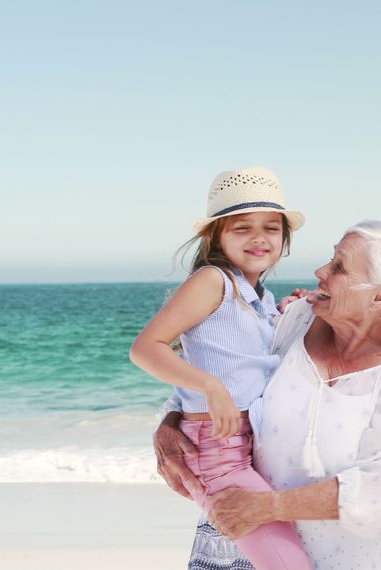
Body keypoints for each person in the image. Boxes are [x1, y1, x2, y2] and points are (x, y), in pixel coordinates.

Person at [153, 220, 381, 570]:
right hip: (234, 546)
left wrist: (267, 507)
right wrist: (169, 422)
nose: (321, 271)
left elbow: (380, 493)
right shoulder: (296, 319)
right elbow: (227, 373)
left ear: (380, 297)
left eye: (339, 268)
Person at [131, 166, 312, 570]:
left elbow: (249, 360)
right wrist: (209, 387)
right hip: (218, 451)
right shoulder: (213, 281)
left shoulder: (259, 297)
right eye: (242, 227)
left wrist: (291, 311)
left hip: (245, 447)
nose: (259, 238)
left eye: (271, 228)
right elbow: (145, 348)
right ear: (216, 236)